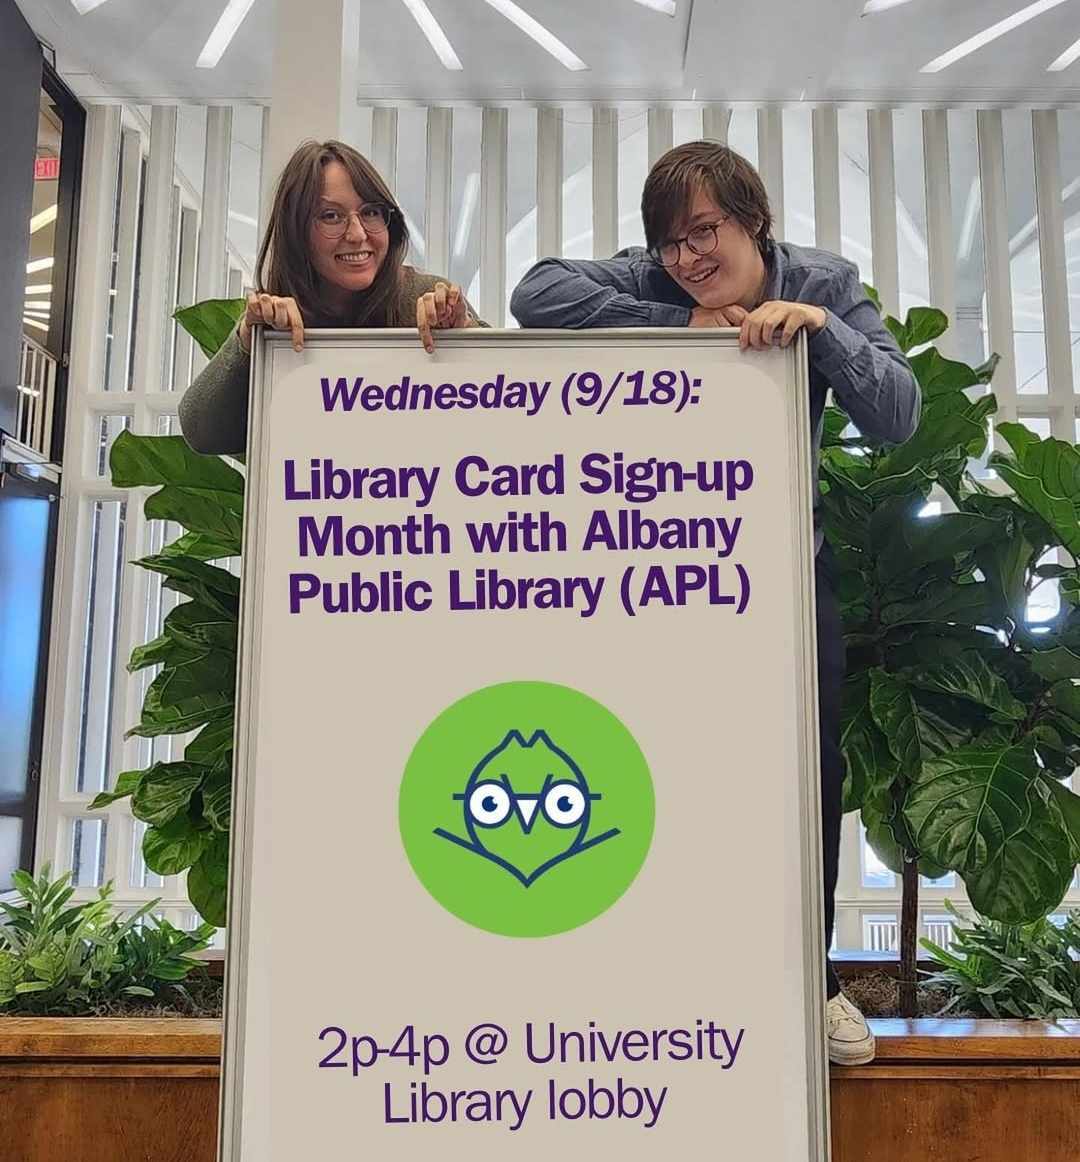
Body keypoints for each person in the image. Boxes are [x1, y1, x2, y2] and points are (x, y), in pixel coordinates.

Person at [510, 140, 920, 1067]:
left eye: (707, 231)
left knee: (804, 779)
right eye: (671, 242)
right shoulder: (658, 281)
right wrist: (681, 325)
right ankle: (666, 978)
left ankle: (810, 982)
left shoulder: (825, 281)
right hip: (658, 583)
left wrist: (815, 323)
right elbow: (536, 293)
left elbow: (899, 412)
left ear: (754, 221)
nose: (689, 256)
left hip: (781, 576)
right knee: (656, 765)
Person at [179, 140, 482, 456]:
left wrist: (464, 332)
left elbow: (517, 407)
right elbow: (203, 434)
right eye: (331, 216)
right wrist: (248, 340)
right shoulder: (278, 319)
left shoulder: (425, 296)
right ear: (296, 230)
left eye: (371, 212)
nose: (357, 234)